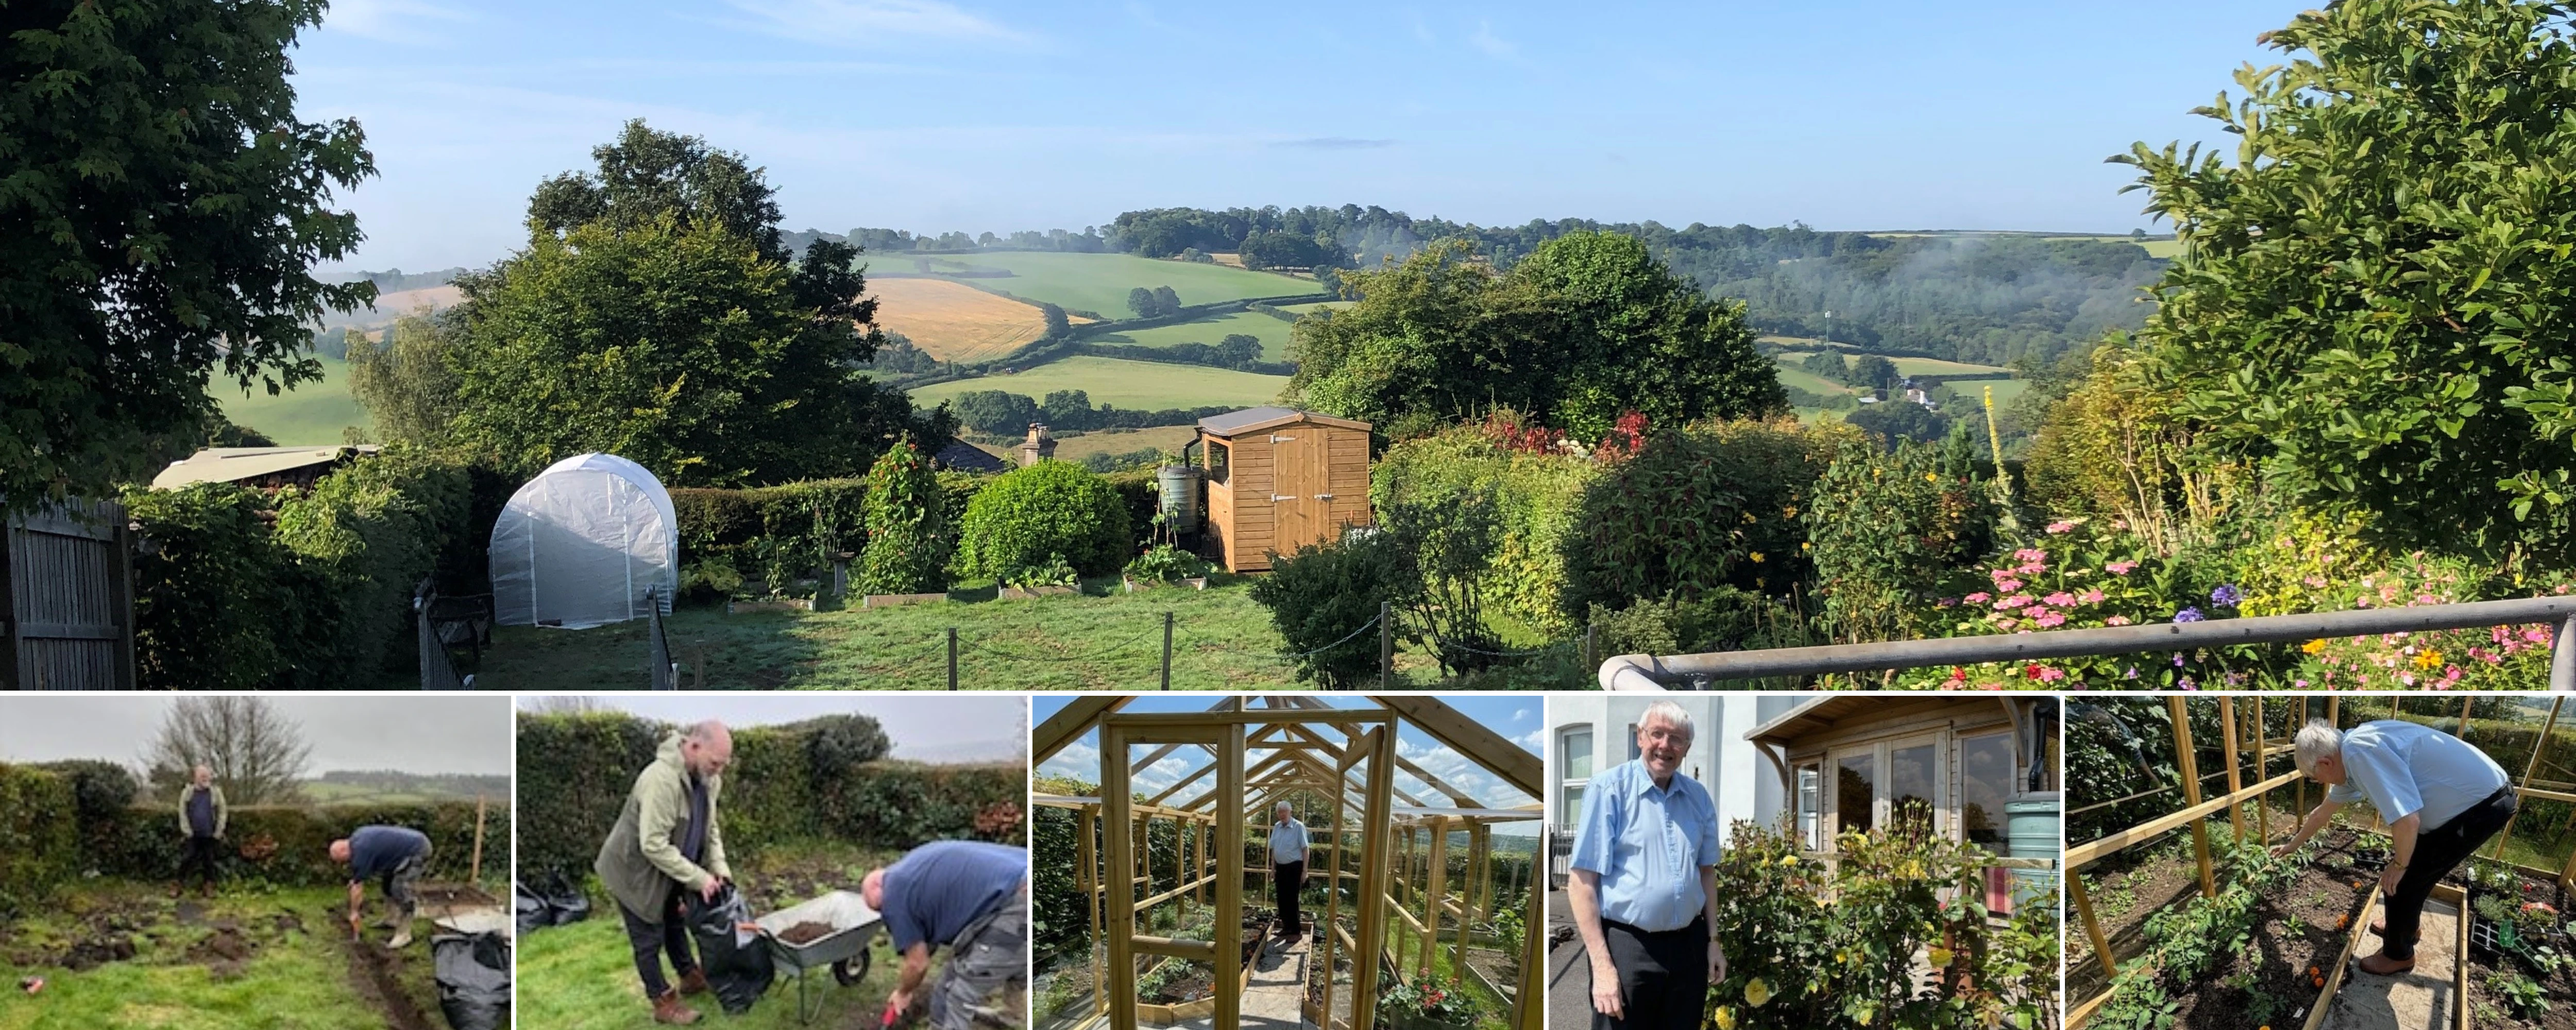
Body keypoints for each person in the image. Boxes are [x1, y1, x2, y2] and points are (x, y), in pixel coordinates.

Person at [2275, 718, 2515, 975]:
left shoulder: (2360, 753)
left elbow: (2408, 820)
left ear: (2325, 763)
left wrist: (2399, 865)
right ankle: (2404, 928)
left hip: (2480, 807)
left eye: (2313, 777)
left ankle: (2399, 955)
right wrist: (2291, 846)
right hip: (2479, 800)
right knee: (2415, 875)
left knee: (2401, 883)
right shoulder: (2352, 755)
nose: (2317, 782)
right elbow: (2321, 815)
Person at [1566, 700, 1727, 1030]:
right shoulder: (1609, 789)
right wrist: (1602, 965)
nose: (1665, 745)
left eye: (1677, 739)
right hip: (1628, 947)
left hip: (1689, 948)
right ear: (1641, 737)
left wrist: (1713, 942)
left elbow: (1707, 873)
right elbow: (1582, 882)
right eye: (1657, 734)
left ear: (1687, 748)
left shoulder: (1698, 798)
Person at [597, 720, 734, 1026]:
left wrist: (719, 868)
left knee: (675, 920)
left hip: (671, 869)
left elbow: (710, 829)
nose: (719, 771)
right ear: (694, 746)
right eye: (715, 763)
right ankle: (663, 1002)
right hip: (634, 872)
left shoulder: (708, 780)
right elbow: (653, 845)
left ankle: (690, 976)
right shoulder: (661, 780)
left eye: (724, 765)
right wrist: (699, 878)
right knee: (648, 938)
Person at [861, 841, 1028, 1030]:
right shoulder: (914, 864)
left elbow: (917, 964)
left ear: (878, 889)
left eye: (880, 909)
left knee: (953, 992)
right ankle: (1012, 1016)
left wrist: (903, 992)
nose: (886, 915)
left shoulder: (893, 896)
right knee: (1020, 963)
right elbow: (927, 936)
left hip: (1020, 902)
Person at [330, 825, 434, 949]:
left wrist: (354, 912)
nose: (345, 864)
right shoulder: (357, 837)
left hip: (418, 849)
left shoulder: (361, 851)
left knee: (400, 890)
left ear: (343, 850)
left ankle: (404, 934)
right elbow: (363, 872)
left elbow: (358, 889)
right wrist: (356, 879)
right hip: (403, 851)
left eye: (343, 860)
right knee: (387, 885)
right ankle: (392, 919)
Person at [175, 765, 227, 899]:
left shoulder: (216, 792)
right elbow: (182, 812)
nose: (205, 778)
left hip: (210, 834)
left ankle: (208, 887)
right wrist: (186, 830)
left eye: (207, 775)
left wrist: (219, 831)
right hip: (192, 834)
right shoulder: (187, 792)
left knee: (209, 861)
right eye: (202, 775)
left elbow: (222, 812)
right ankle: (178, 884)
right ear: (195, 777)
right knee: (187, 858)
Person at [1269, 801, 1312, 940]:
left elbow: (1305, 849)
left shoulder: (1298, 827)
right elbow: (1274, 850)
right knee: (1281, 898)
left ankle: (1296, 931)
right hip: (1281, 868)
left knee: (1292, 899)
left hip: (1295, 867)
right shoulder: (1277, 827)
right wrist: (1273, 869)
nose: (1282, 815)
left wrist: (1305, 871)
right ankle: (1286, 927)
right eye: (1280, 812)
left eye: (1284, 812)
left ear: (1290, 812)